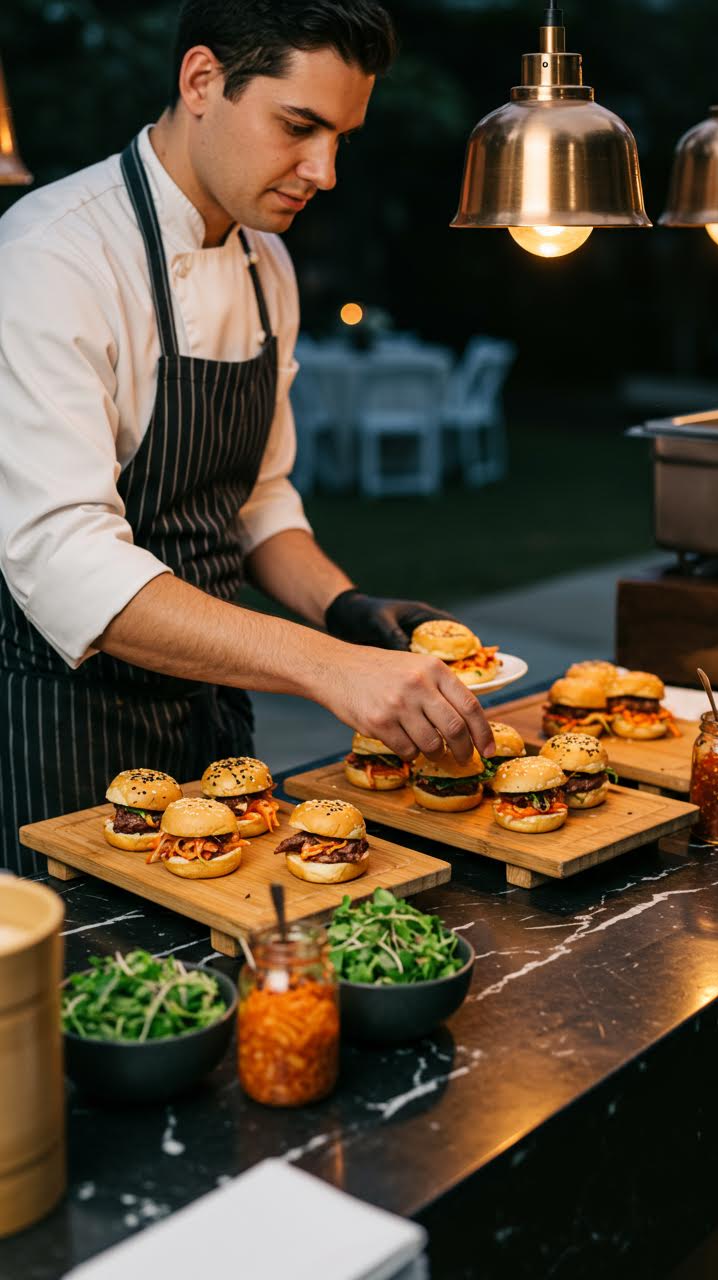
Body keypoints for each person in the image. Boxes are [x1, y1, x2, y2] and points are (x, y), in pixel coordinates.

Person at [0, 0, 494, 875]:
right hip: (62, 732)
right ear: (201, 81)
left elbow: (259, 498)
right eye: (299, 126)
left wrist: (346, 610)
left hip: (215, 728)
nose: (325, 170)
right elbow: (66, 558)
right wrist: (326, 665)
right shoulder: (50, 256)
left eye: (343, 138)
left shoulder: (270, 261)